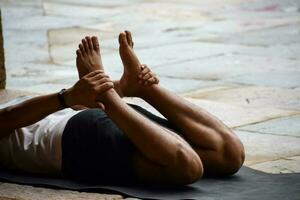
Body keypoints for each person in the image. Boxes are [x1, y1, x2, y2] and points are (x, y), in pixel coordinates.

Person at [0, 31, 245, 185]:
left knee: (230, 153)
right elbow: (7, 119)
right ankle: (124, 91)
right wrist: (74, 94)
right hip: (72, 141)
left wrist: (106, 90)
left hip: (85, 125)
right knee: (205, 160)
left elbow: (64, 106)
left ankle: (138, 88)